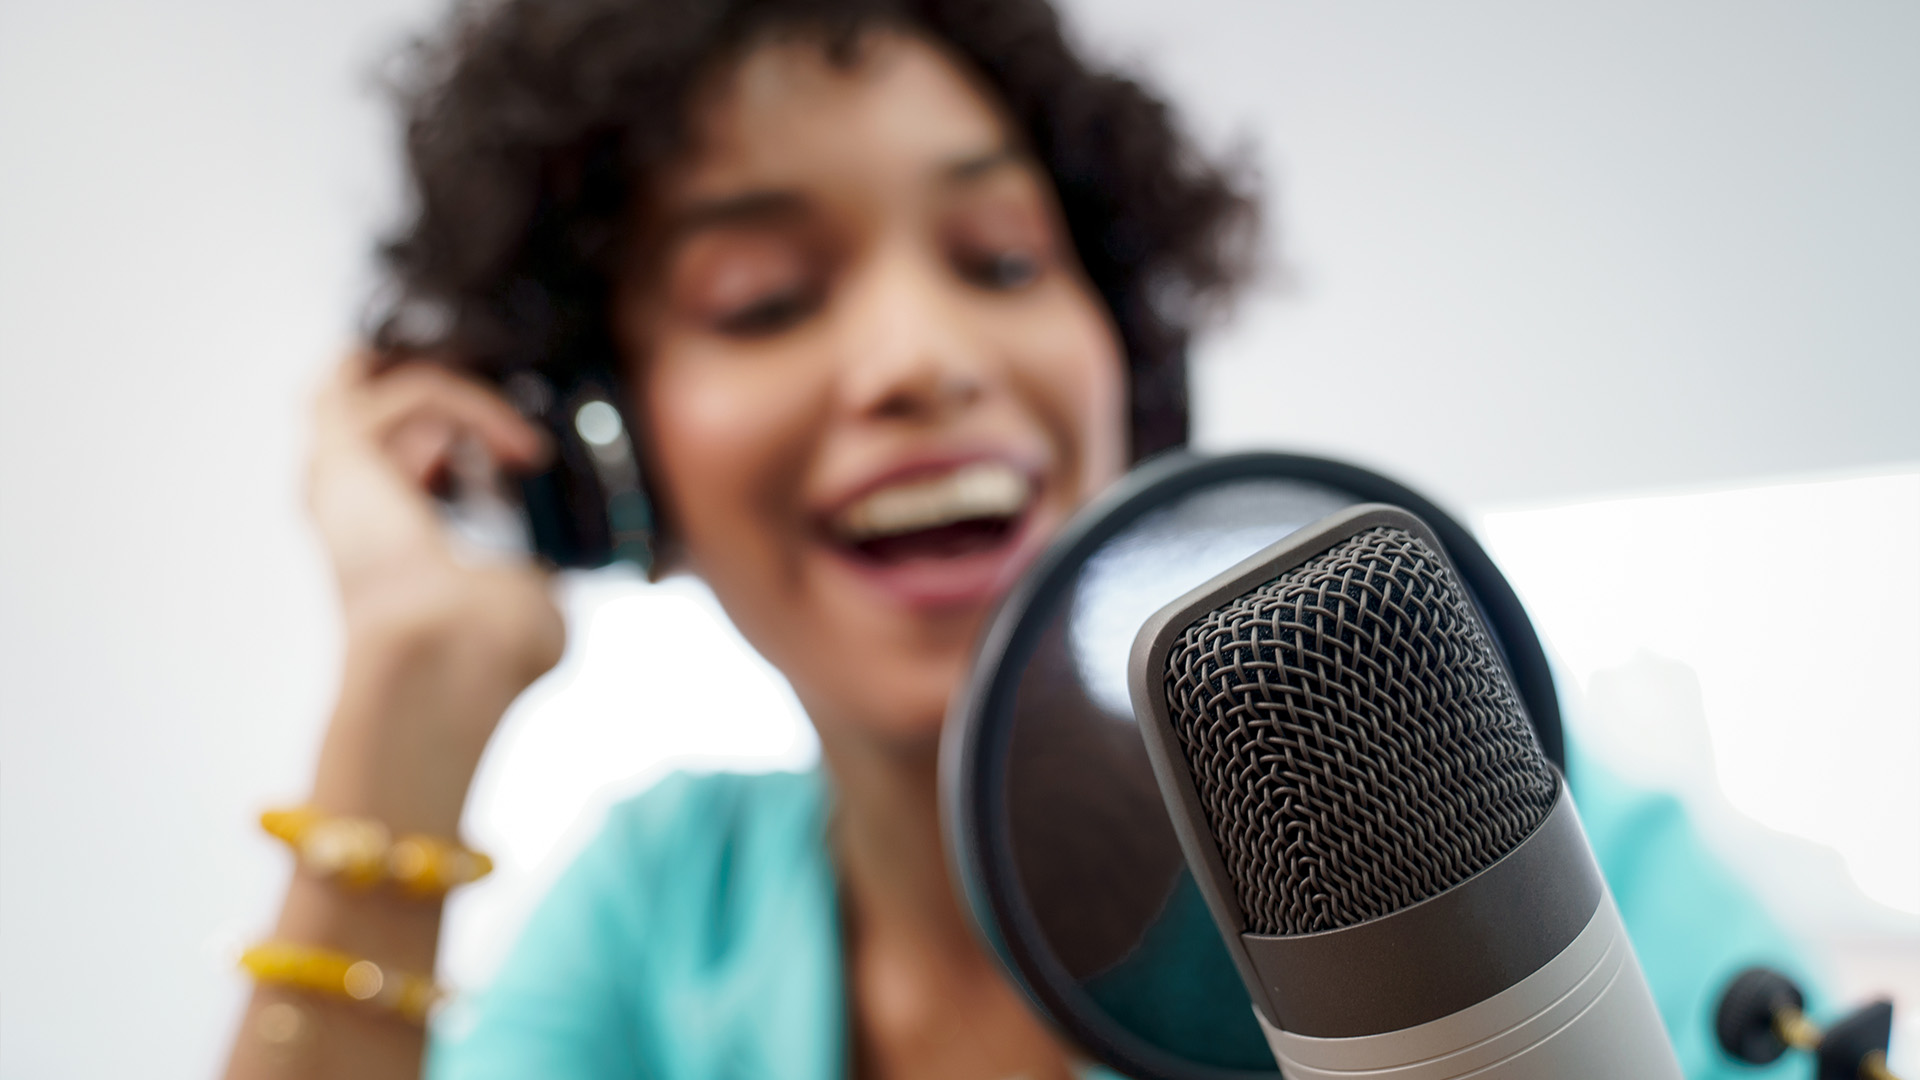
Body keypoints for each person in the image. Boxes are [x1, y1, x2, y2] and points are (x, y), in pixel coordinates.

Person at [221, 1, 1814, 1078]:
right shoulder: (658, 920)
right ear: (605, 463)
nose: (923, 357)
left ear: (1133, 365)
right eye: (762, 299)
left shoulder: (1449, 806)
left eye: (998, 258)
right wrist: (409, 687)